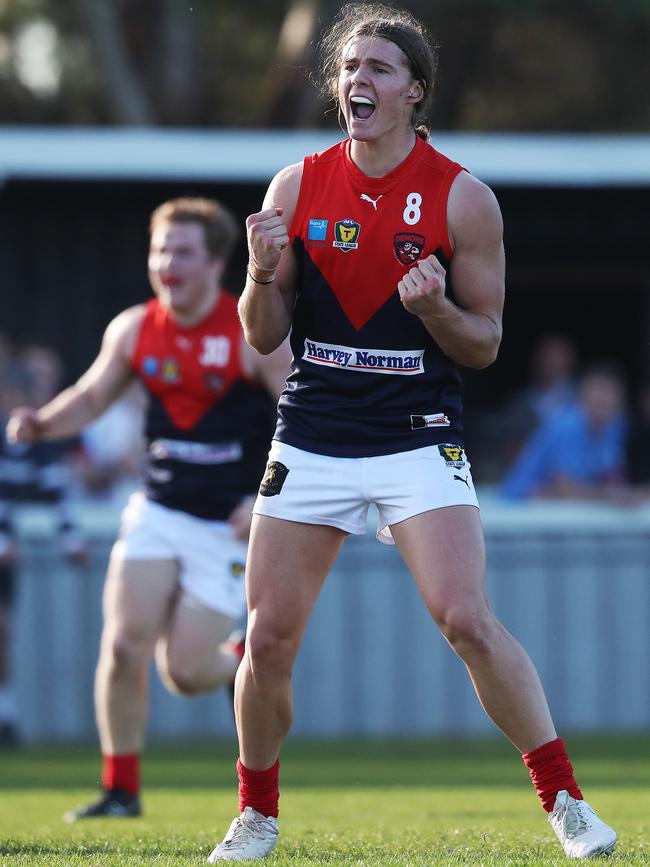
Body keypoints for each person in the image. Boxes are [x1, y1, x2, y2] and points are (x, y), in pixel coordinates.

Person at [207, 5, 617, 862]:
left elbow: (487, 341)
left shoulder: (463, 196)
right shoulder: (294, 185)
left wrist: (434, 307)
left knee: (467, 618)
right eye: (350, 66)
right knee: (269, 635)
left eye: (381, 68)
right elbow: (261, 332)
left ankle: (566, 800)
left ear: (414, 91)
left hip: (418, 435)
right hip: (312, 433)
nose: (360, 79)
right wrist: (255, 272)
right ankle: (256, 815)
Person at [6, 197, 291, 818]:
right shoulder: (134, 328)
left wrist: (263, 495)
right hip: (157, 510)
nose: (167, 263)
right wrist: (40, 423)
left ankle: (238, 659)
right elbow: (90, 396)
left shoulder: (250, 332)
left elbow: (299, 417)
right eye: (160, 250)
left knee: (185, 673)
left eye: (183, 251)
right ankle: (120, 791)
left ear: (218, 263)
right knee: (122, 647)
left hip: (227, 526)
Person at [0, 359, 87, 746]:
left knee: (3, 630)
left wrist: (71, 539)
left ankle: (6, 715)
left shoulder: (38, 451)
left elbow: (56, 495)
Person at [500, 362, 631, 502]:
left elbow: (613, 478)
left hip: (566, 506)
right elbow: (563, 488)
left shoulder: (616, 425)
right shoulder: (567, 425)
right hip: (521, 503)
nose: (604, 398)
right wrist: (610, 496)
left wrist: (628, 494)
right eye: (599, 389)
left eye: (610, 391)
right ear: (582, 395)